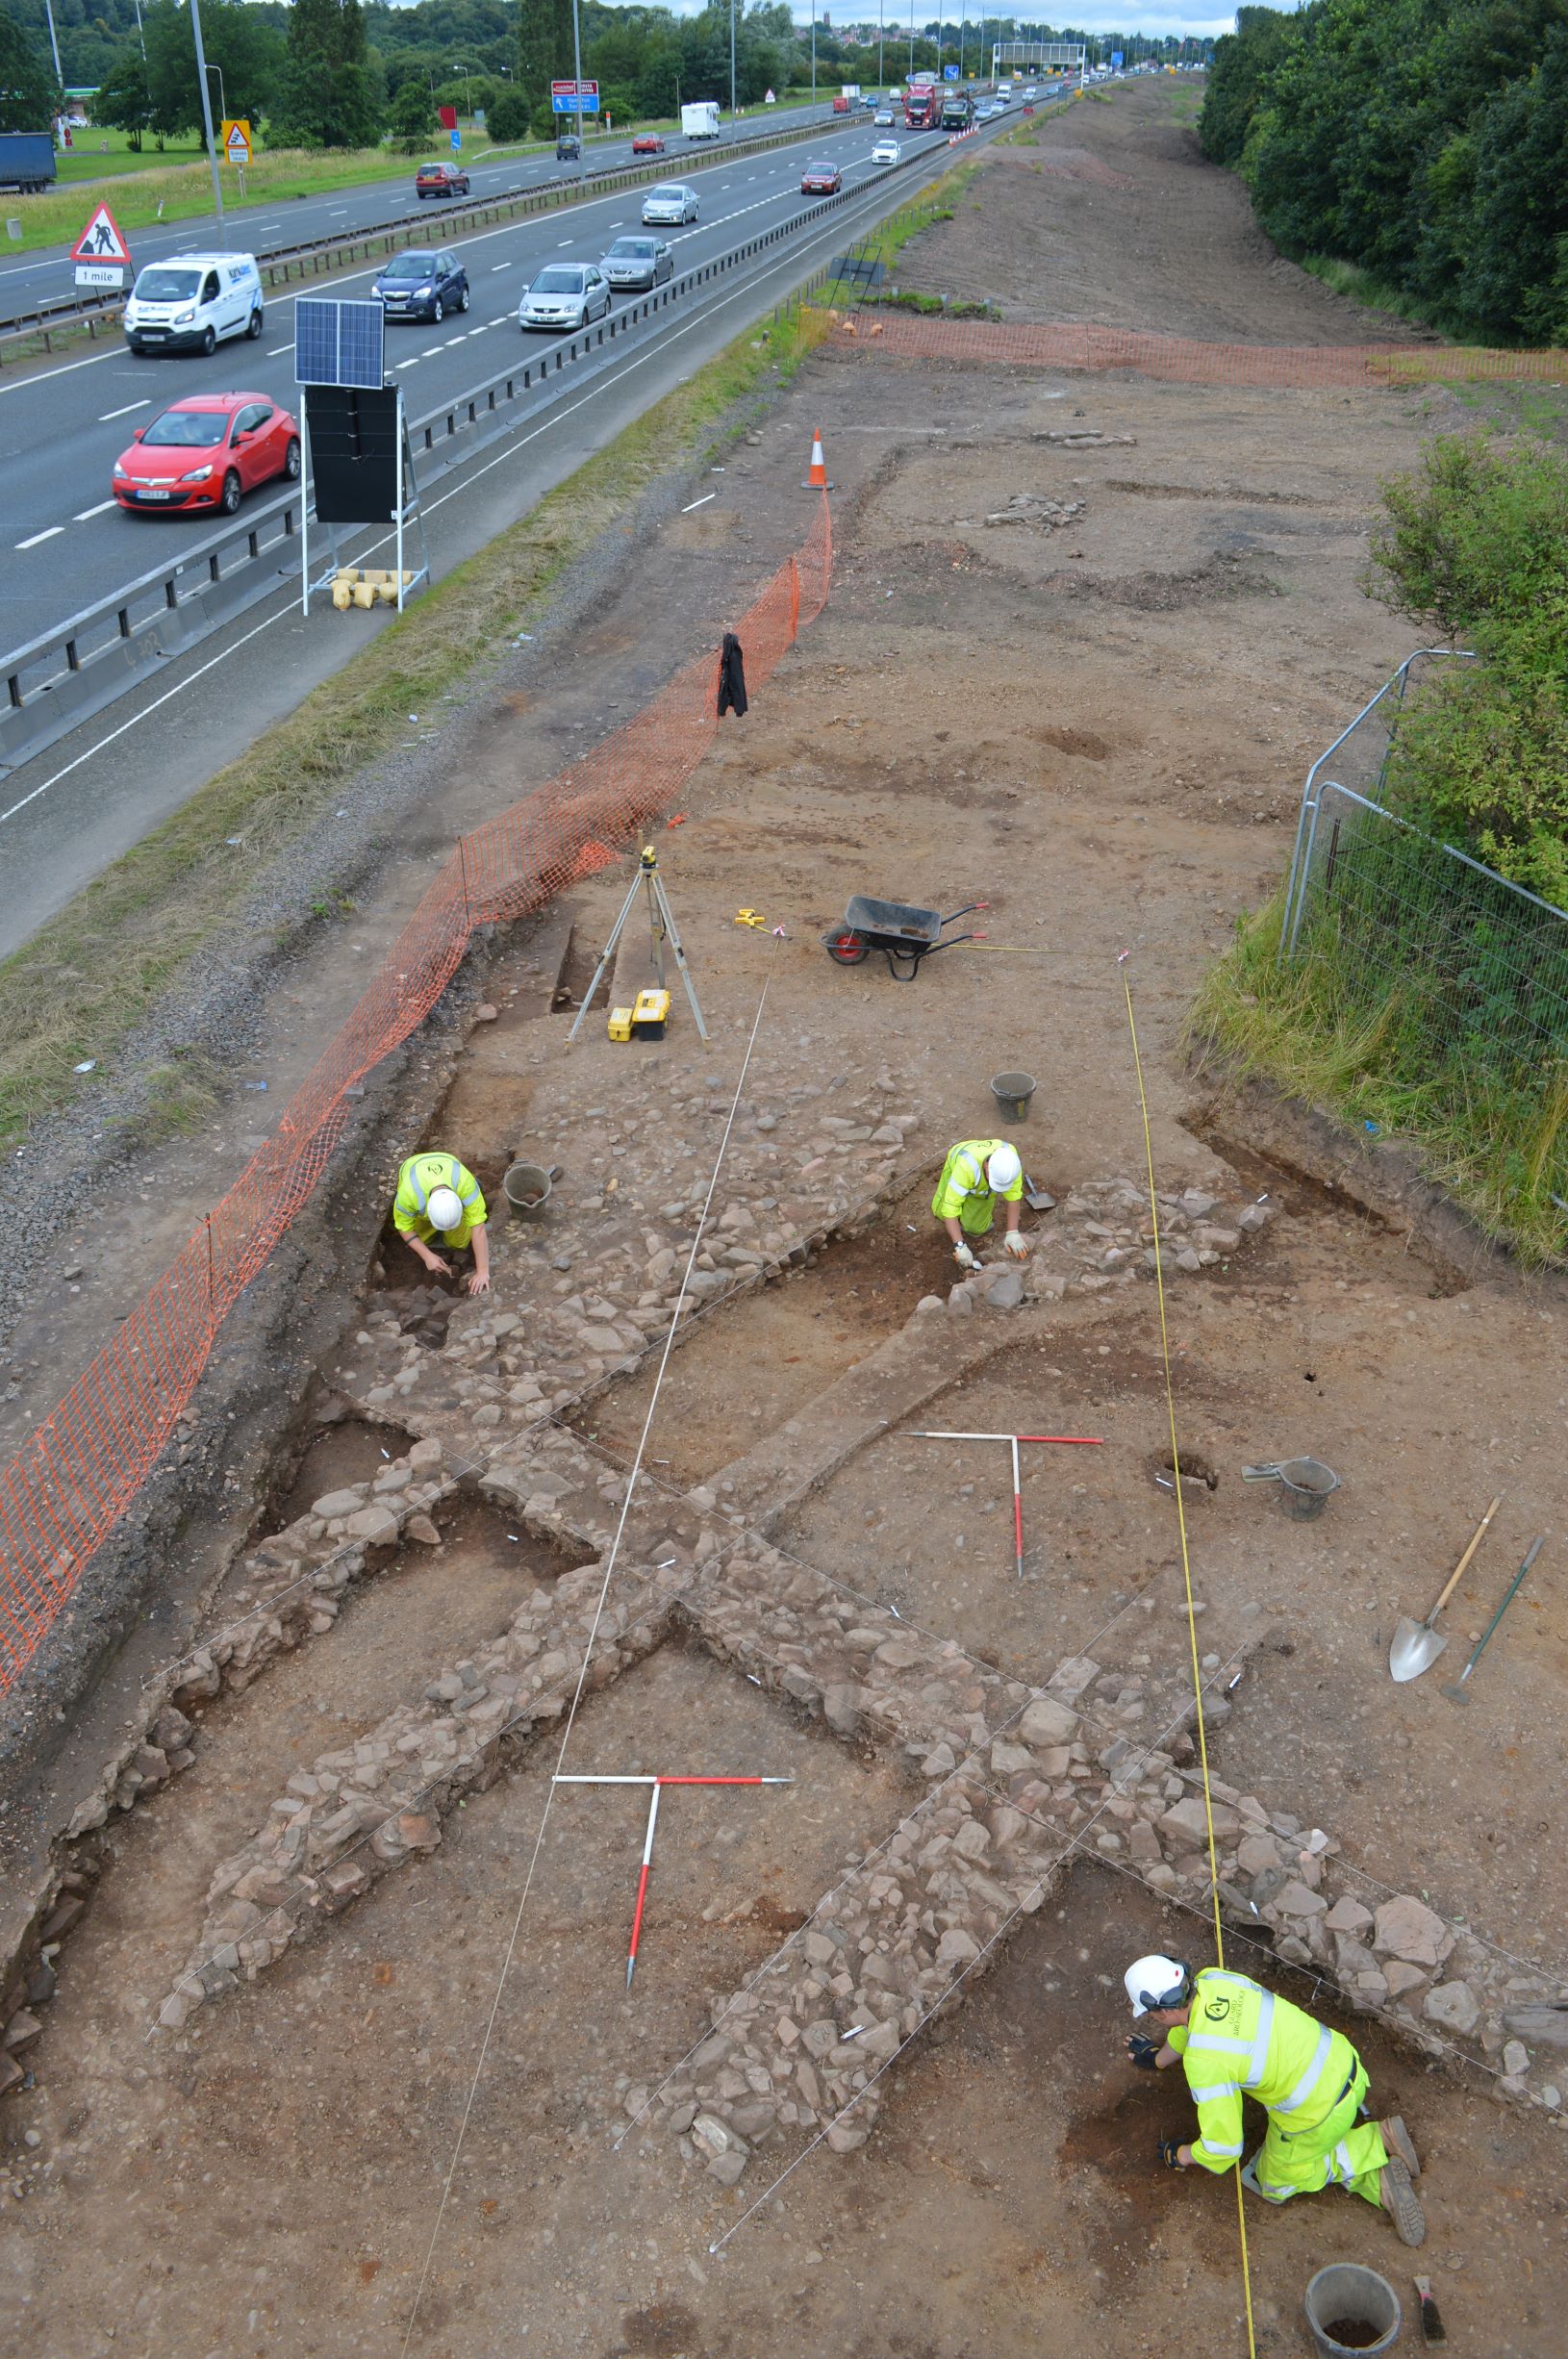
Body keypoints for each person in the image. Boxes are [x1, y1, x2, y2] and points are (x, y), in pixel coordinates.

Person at [1123, 1954, 1427, 2245]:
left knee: (1273, 2183)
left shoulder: (1205, 2062)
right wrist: (1158, 2060)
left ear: (1160, 2011)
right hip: (1345, 2065)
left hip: (1318, 2116)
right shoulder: (1215, 1979)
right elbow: (1189, 2029)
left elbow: (1224, 2148)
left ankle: (1376, 2162)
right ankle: (1387, 2137)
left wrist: (1182, 2155)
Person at [392, 1151, 492, 1296]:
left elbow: (479, 1229)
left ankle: (478, 1188)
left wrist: (483, 1271)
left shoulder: (467, 1188)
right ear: (428, 1211)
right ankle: (428, 1234)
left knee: (460, 1242)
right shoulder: (408, 1196)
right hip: (413, 1167)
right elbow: (404, 1228)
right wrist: (427, 1255)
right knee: (422, 1240)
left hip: (449, 1164)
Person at [930, 1138, 1029, 1270]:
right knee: (941, 1212)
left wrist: (1013, 1232)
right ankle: (958, 1209)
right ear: (987, 1166)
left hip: (979, 1183)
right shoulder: (965, 1167)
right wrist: (960, 1246)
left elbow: (1014, 1197)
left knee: (976, 1229)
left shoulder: (1011, 1164)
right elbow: (950, 1208)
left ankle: (974, 1205)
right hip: (960, 1164)